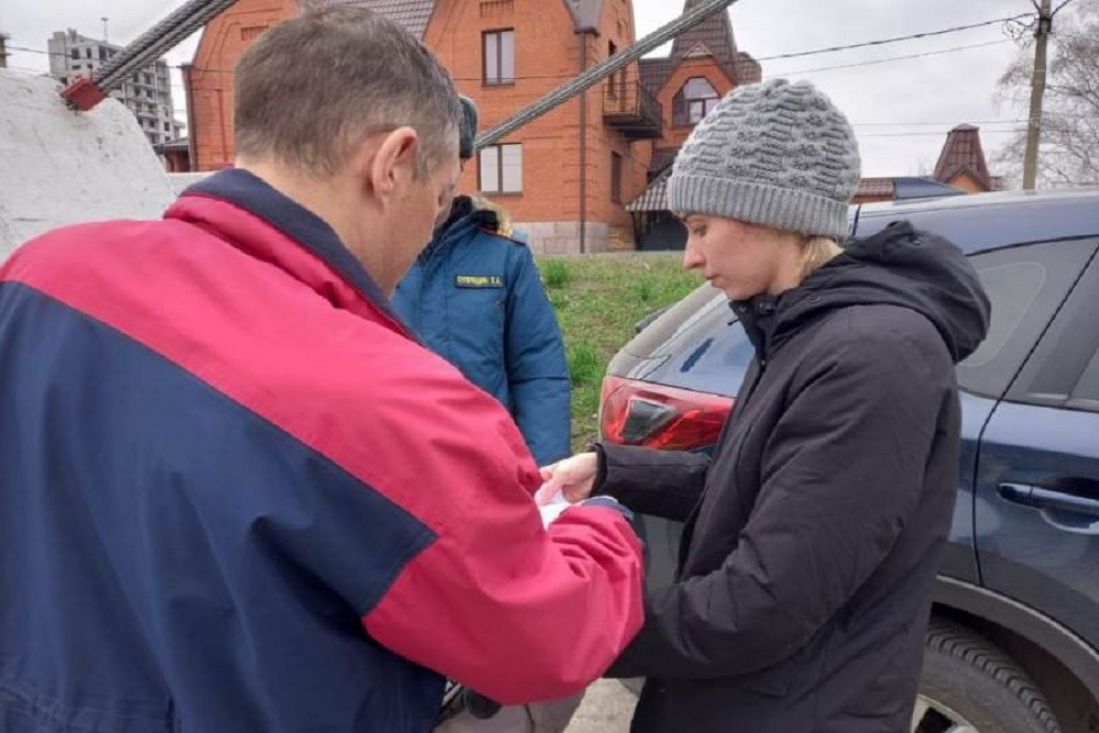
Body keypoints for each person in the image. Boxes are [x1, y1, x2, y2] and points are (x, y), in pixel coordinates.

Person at [0, 7, 643, 733]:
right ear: (392, 164)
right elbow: (542, 642)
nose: (427, 234)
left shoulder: (37, 275)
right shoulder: (385, 400)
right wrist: (604, 525)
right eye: (437, 200)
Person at [538, 79, 991, 733]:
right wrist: (611, 471)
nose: (690, 257)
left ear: (767, 212)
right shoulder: (798, 327)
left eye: (701, 228)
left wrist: (579, 630)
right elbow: (754, 486)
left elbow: (763, 604)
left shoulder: (871, 358)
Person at [393, 97, 571, 467]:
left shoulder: (505, 254)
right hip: (394, 465)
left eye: (442, 157)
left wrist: (542, 475)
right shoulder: (365, 250)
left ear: (461, 162)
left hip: (483, 465)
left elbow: (538, 370)